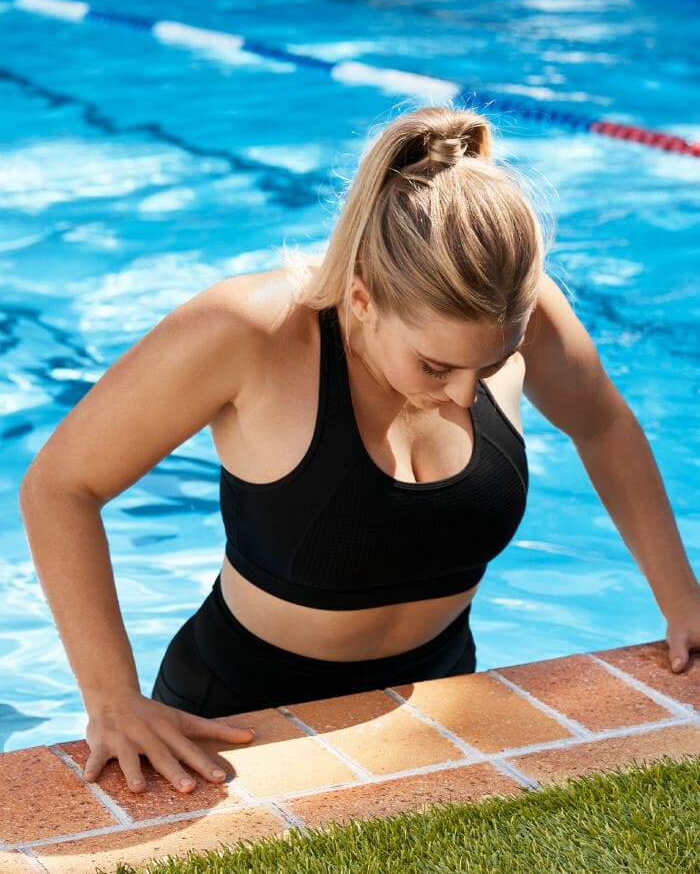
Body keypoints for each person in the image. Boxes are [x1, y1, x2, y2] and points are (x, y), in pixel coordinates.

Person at [19, 105, 699, 797]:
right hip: (234, 717)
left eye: (492, 365)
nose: (467, 396)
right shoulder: (249, 334)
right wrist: (110, 698)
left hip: (436, 704)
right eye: (435, 367)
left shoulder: (515, 312)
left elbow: (603, 423)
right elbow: (59, 486)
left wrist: (684, 602)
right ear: (362, 297)